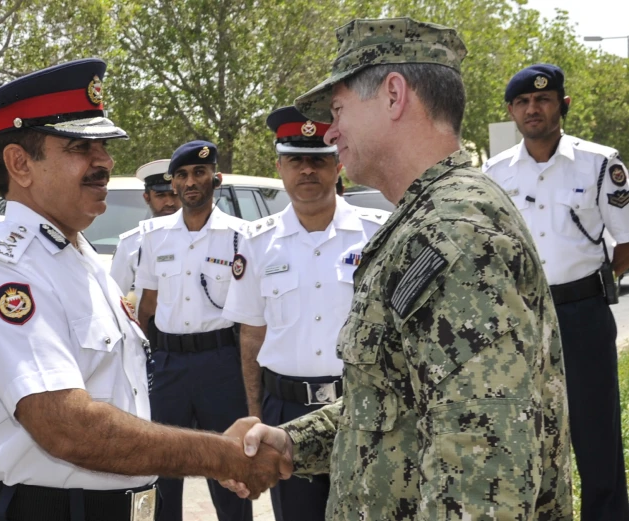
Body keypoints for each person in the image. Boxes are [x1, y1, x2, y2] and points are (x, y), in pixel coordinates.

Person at [223, 17, 572, 520]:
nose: (333, 130)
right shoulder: (430, 217)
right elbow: (399, 399)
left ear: (393, 95)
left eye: (338, 109)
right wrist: (290, 441)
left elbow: (481, 467)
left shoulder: (453, 231)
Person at [0, 59, 287, 521]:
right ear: (20, 163)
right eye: (80, 147)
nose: (104, 161)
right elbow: (68, 427)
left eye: (103, 146)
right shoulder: (4, 272)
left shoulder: (78, 259)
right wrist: (218, 453)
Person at [221, 105, 389, 521]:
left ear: (338, 166)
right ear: (280, 167)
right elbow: (251, 335)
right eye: (296, 160)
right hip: (287, 412)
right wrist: (256, 415)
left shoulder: (378, 232)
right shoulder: (256, 243)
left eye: (318, 159)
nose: (307, 170)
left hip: (364, 407)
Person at [483, 63, 629, 521]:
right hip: (520, 320)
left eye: (543, 100)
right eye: (523, 102)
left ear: (562, 105)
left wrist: (598, 282)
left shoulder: (601, 163)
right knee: (522, 434)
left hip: (582, 315)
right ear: (511, 111)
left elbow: (626, 240)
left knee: (596, 436)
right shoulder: (494, 172)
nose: (534, 109)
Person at [134, 140, 253, 521]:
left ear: (215, 178)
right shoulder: (153, 236)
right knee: (163, 471)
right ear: (174, 183)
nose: (190, 182)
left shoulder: (241, 235)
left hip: (221, 364)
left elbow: (253, 313)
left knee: (231, 471)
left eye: (199, 173)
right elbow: (146, 307)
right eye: (182, 175)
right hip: (168, 365)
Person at [110, 159, 180, 308]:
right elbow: (115, 298)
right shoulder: (130, 244)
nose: (169, 202)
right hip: (148, 328)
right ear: (147, 198)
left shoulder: (200, 237)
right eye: (161, 196)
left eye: (174, 195)